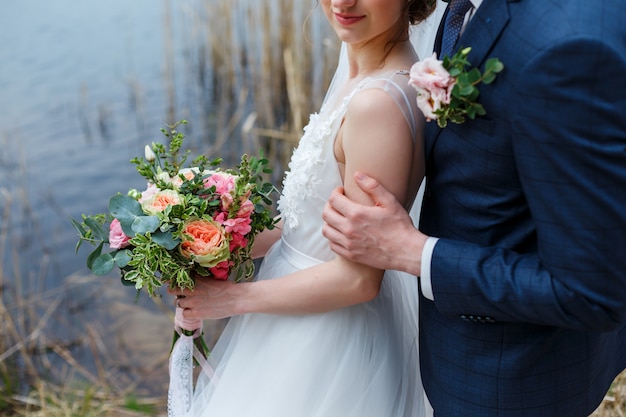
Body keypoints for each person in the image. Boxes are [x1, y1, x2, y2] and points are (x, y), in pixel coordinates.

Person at [322, 0, 626, 416]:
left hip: (513, 381)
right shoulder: (467, 7)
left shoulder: (564, 47)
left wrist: (414, 252)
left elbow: (592, 291)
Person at [167, 0, 439, 416]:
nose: (343, 3)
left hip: (327, 337)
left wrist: (229, 300)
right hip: (294, 305)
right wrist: (211, 238)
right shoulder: (366, 73)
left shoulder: (377, 105)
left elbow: (359, 280)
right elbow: (307, 226)